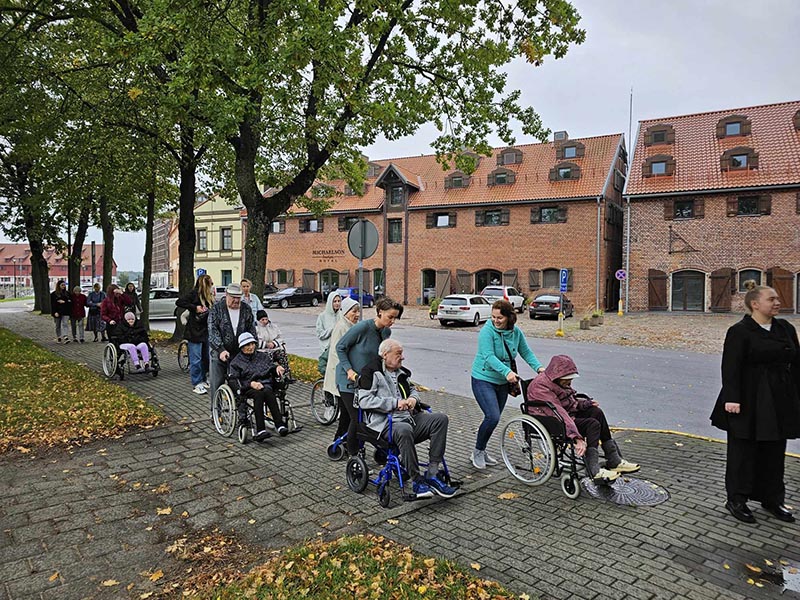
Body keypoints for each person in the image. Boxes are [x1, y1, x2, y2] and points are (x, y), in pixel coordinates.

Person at [711, 281, 800, 524]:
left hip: (779, 397)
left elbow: (797, 364)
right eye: (771, 299)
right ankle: (737, 498)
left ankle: (772, 498)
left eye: (777, 299)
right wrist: (732, 398)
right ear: (755, 304)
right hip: (748, 398)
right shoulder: (740, 332)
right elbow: (731, 367)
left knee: (774, 449)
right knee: (743, 449)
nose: (777, 302)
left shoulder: (786, 329)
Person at [357, 339, 457, 499]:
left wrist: (413, 400)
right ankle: (417, 481)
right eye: (398, 354)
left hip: (408, 419)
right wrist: (394, 403)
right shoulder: (371, 372)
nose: (402, 357)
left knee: (440, 419)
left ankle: (432, 473)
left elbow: (413, 390)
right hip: (385, 424)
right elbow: (364, 401)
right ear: (385, 355)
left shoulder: (401, 372)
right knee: (404, 430)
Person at [527, 355, 640, 483]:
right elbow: (558, 412)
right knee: (592, 424)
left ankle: (614, 459)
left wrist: (585, 404)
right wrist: (576, 437)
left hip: (565, 416)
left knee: (596, 412)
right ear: (557, 376)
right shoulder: (540, 387)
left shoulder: (559, 381)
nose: (569, 382)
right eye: (567, 379)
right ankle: (593, 469)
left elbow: (569, 402)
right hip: (552, 421)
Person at [470, 299, 545, 469]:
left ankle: (481, 449)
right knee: (493, 416)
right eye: (493, 317)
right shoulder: (486, 332)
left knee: (493, 420)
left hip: (502, 382)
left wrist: (539, 368)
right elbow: (489, 357)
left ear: (509, 318)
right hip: (483, 379)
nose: (495, 321)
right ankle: (477, 452)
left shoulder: (515, 333)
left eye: (499, 318)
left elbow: (526, 352)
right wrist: (507, 372)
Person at [335, 297, 402, 456]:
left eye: (395, 318)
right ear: (379, 312)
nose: (393, 321)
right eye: (390, 317)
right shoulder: (362, 328)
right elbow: (340, 347)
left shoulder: (386, 332)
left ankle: (348, 442)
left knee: (353, 417)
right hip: (348, 381)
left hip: (367, 382)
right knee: (358, 419)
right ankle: (354, 455)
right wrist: (349, 370)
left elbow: (381, 357)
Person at [228, 332, 287, 442]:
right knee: (259, 395)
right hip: (248, 388)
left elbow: (270, 368)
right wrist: (250, 384)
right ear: (241, 347)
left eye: (252, 344)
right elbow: (234, 380)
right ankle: (260, 430)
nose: (251, 347)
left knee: (269, 392)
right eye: (247, 345)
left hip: (265, 384)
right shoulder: (236, 362)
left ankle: (280, 425)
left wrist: (277, 368)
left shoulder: (262, 356)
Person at [207, 283, 257, 412]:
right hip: (219, 352)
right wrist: (220, 349)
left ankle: (241, 412)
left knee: (239, 383)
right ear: (226, 295)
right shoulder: (217, 309)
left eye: (238, 297)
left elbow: (251, 329)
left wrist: (252, 346)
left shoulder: (246, 309)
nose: (236, 300)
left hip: (239, 353)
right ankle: (216, 412)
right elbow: (213, 331)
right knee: (217, 383)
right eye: (233, 297)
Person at [326, 297, 360, 437]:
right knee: (347, 413)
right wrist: (349, 369)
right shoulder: (341, 327)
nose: (357, 314)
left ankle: (343, 440)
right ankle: (340, 440)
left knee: (347, 414)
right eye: (354, 311)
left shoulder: (350, 325)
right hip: (341, 377)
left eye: (358, 311)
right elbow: (337, 352)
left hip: (347, 376)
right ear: (346, 312)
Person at [176, 274, 214, 394]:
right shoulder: (194, 294)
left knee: (206, 357)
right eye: (211, 284)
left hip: (206, 331)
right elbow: (180, 302)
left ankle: (203, 378)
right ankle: (196, 382)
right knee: (196, 359)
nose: (212, 286)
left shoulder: (209, 297)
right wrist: (194, 307)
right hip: (194, 331)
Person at [316, 291, 342, 375]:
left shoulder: (342, 315)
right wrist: (332, 329)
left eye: (339, 301)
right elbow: (320, 334)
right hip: (327, 349)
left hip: (339, 348)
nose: (337, 303)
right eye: (335, 301)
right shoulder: (322, 316)